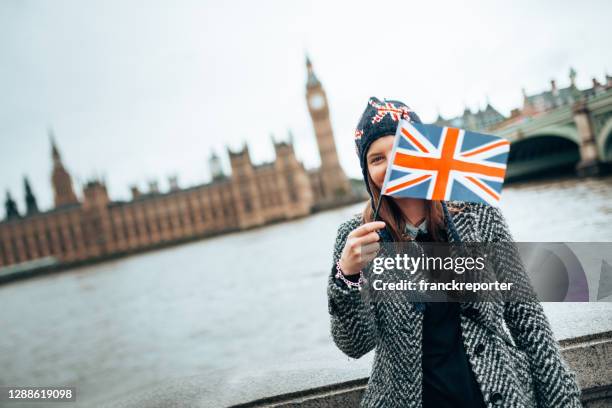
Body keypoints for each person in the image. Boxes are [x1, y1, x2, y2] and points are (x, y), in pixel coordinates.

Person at [327, 97, 583, 408]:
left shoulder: (476, 213)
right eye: (377, 159)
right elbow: (355, 345)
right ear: (367, 171)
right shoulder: (357, 237)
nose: (392, 165)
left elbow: (526, 316)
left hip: (495, 396)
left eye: (401, 151)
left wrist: (564, 402)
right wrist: (347, 276)